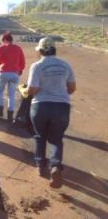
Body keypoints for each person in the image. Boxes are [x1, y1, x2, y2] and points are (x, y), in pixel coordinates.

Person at [25, 37, 76, 188]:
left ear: (40, 51)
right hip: (62, 106)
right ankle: (55, 166)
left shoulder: (37, 66)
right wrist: (59, 92)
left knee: (40, 136)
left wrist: (25, 90)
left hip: (40, 106)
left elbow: (32, 89)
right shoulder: (66, 65)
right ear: (55, 49)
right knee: (56, 138)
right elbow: (72, 88)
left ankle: (41, 166)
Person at [0, 31, 26, 121]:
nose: (1, 42)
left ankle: (0, 111)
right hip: (15, 74)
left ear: (5, 40)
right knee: (12, 95)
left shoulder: (3, 47)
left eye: (2, 40)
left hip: (4, 73)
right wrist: (20, 69)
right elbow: (23, 62)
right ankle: (10, 116)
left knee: (0, 92)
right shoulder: (18, 48)